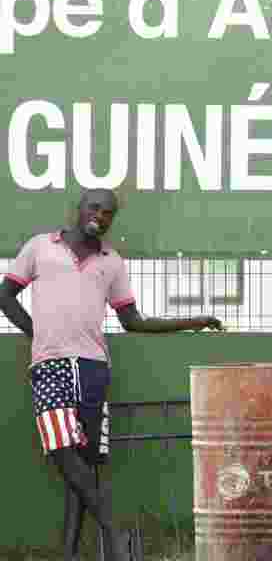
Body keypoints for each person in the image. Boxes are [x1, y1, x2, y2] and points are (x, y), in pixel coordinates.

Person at [0, 189, 223, 561]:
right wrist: (35, 333)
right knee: (60, 449)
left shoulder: (111, 262)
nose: (100, 216)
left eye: (108, 213)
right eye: (95, 207)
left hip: (92, 368)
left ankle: (70, 554)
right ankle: (115, 531)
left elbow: (133, 320)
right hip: (50, 365)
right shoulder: (40, 246)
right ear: (79, 209)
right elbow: (5, 295)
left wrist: (194, 321)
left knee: (83, 463)